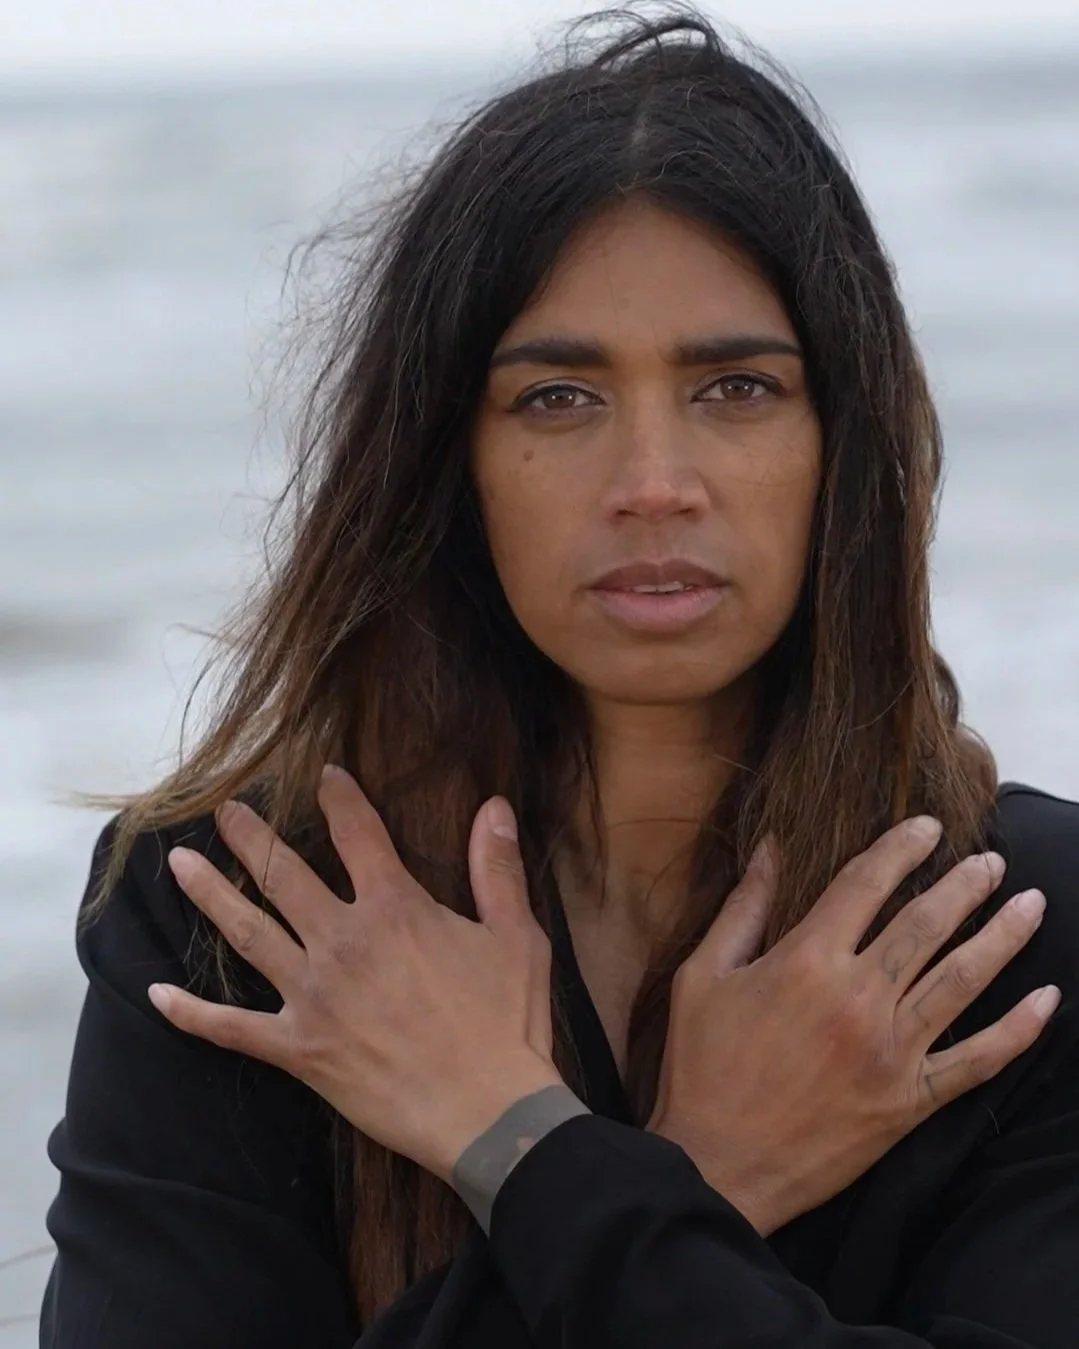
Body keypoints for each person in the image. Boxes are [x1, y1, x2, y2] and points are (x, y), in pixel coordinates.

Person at [39, 8, 1079, 1348]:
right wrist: (701, 1174)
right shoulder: (239, 918)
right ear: (447, 461)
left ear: (846, 442)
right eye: (556, 399)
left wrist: (518, 1148)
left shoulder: (1017, 938)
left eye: (736, 388)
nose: (653, 484)